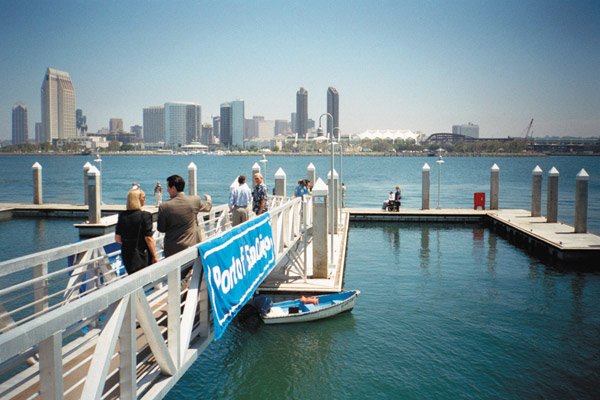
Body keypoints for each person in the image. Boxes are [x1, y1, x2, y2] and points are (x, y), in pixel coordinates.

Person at [157, 175, 212, 257]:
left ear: (173, 188)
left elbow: (161, 229)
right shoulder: (195, 200)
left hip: (172, 249)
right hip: (191, 246)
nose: (167, 190)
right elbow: (207, 208)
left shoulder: (164, 206)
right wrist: (209, 199)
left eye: (168, 187)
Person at [115, 189, 158, 274]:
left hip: (127, 254)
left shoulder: (122, 216)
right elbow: (148, 238)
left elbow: (117, 239)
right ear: (138, 199)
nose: (145, 200)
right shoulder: (145, 216)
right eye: (143, 198)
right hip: (142, 253)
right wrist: (155, 256)